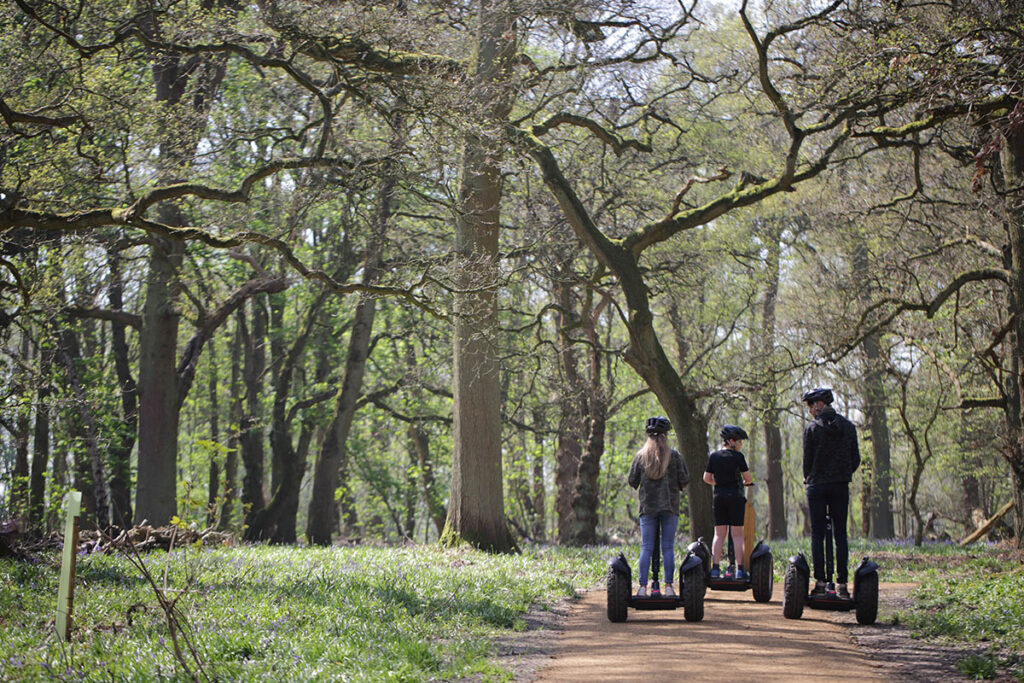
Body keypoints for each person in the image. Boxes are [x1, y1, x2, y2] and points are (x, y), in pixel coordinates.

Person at [801, 387, 860, 598]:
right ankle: (842, 584)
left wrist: (809, 476)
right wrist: (843, 473)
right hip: (840, 486)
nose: (810, 410)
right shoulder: (848, 426)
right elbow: (855, 459)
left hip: (817, 486)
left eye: (811, 405)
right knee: (840, 534)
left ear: (820, 404)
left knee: (818, 534)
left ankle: (820, 583)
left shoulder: (811, 429)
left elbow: (807, 461)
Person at [628, 416, 690, 597]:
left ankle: (642, 588)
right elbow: (684, 479)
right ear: (665, 436)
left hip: (648, 508)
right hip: (670, 507)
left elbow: (632, 480)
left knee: (646, 547)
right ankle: (669, 587)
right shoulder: (674, 456)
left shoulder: (641, 456)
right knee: (668, 547)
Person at [702, 425, 754, 580]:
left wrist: (717, 484)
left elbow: (706, 478)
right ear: (731, 441)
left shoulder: (714, 456)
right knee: (737, 535)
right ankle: (739, 570)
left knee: (719, 534)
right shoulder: (738, 457)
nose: (741, 444)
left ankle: (715, 569)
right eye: (739, 441)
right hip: (735, 497)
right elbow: (748, 479)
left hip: (719, 497)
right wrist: (742, 483)